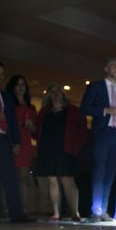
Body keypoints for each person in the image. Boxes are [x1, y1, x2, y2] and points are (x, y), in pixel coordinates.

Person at [80, 57, 116, 222]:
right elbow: (84, 107)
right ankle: (95, 210)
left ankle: (104, 210)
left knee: (111, 171)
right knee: (99, 170)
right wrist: (106, 110)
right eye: (114, 67)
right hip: (103, 132)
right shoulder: (96, 86)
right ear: (106, 68)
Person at [36, 84, 87, 221]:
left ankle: (74, 212)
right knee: (52, 180)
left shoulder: (73, 111)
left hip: (67, 150)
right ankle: (56, 212)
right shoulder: (44, 112)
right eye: (53, 92)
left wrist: (76, 148)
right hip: (48, 150)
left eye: (58, 91)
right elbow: (39, 131)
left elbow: (81, 131)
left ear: (63, 94)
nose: (56, 94)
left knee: (68, 180)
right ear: (49, 95)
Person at [0, 62, 30, 223]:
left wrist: (16, 141)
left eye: (1, 73)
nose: (0, 76)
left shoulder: (6, 97)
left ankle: (17, 214)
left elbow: (12, 121)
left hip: (3, 139)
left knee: (10, 177)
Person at [5, 74, 37, 214]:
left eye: (23, 84)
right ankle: (7, 209)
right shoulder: (8, 103)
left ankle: (22, 209)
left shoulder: (31, 107)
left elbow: (35, 133)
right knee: (7, 177)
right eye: (17, 84)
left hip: (25, 144)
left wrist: (32, 127)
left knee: (23, 178)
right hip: (10, 142)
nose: (20, 87)